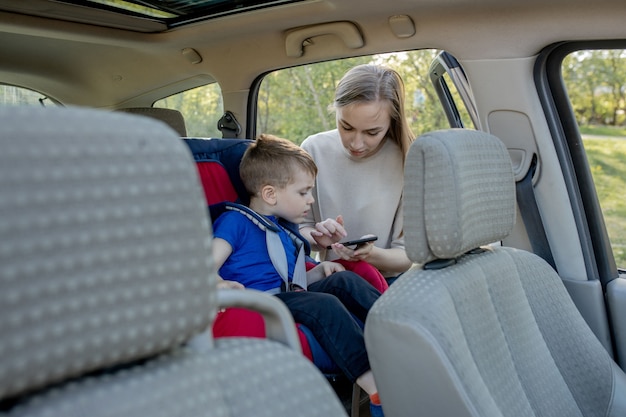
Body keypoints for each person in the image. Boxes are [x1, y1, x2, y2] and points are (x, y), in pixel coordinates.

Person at [212, 134, 385, 416]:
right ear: (270, 194)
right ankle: (375, 387)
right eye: (303, 192)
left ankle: (401, 330)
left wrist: (319, 271)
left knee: (343, 280)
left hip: (288, 297)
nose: (311, 200)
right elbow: (207, 264)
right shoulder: (236, 221)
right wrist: (217, 283)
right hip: (261, 303)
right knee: (323, 305)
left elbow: (291, 280)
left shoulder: (283, 231)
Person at [300, 64, 415, 282]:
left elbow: (405, 255)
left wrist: (370, 255)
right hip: (332, 279)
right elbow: (298, 230)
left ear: (392, 122)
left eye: (372, 132)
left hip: (387, 283)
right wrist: (318, 238)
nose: (356, 143)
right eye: (346, 127)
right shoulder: (313, 149)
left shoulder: (407, 159)